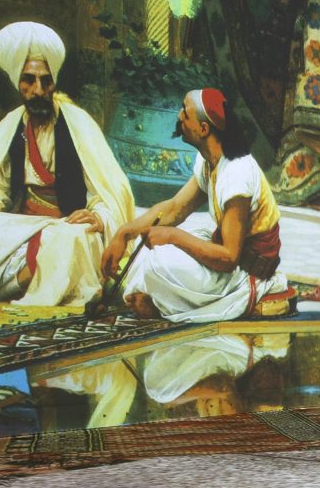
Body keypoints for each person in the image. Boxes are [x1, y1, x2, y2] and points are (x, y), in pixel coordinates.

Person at [0, 22, 133, 307]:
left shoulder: (78, 123)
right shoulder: (10, 125)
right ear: (18, 82)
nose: (38, 89)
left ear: (53, 82)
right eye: (29, 80)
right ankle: (13, 282)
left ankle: (13, 286)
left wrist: (98, 216)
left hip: (64, 225)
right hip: (21, 224)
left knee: (67, 238)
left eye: (45, 81)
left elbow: (110, 189)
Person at [101, 87, 284, 322]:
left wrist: (172, 236)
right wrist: (124, 233)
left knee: (158, 261)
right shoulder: (210, 160)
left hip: (244, 273)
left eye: (185, 114)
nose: (179, 117)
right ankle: (152, 298)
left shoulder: (237, 173)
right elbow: (174, 209)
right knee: (143, 244)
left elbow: (229, 258)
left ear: (204, 128)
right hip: (225, 255)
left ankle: (159, 306)